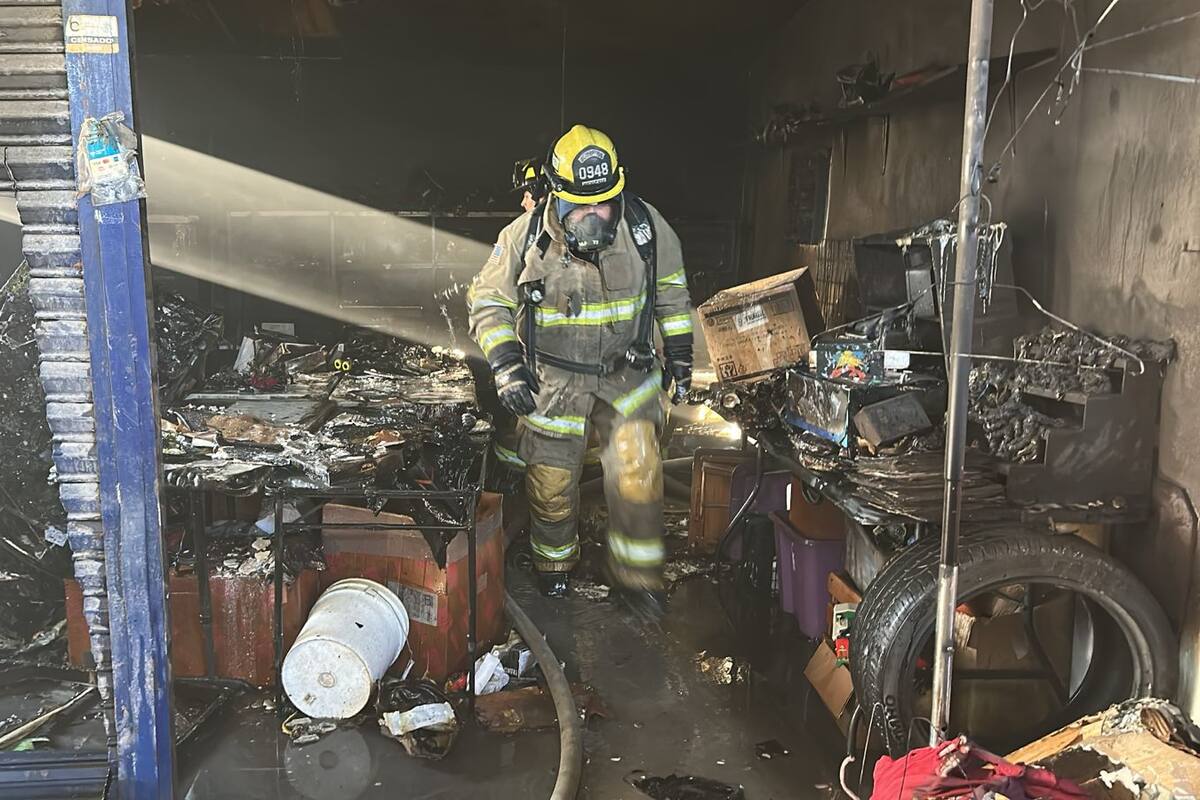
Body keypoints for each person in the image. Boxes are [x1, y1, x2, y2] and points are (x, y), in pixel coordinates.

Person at [467, 125, 693, 615]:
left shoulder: (646, 231)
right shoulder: (523, 238)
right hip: (553, 385)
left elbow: (672, 295)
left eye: (604, 204)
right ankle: (554, 571)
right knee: (551, 489)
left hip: (627, 379)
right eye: (580, 206)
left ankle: (636, 581)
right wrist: (506, 363)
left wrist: (680, 352)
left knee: (638, 477)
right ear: (556, 196)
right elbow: (488, 301)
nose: (593, 216)